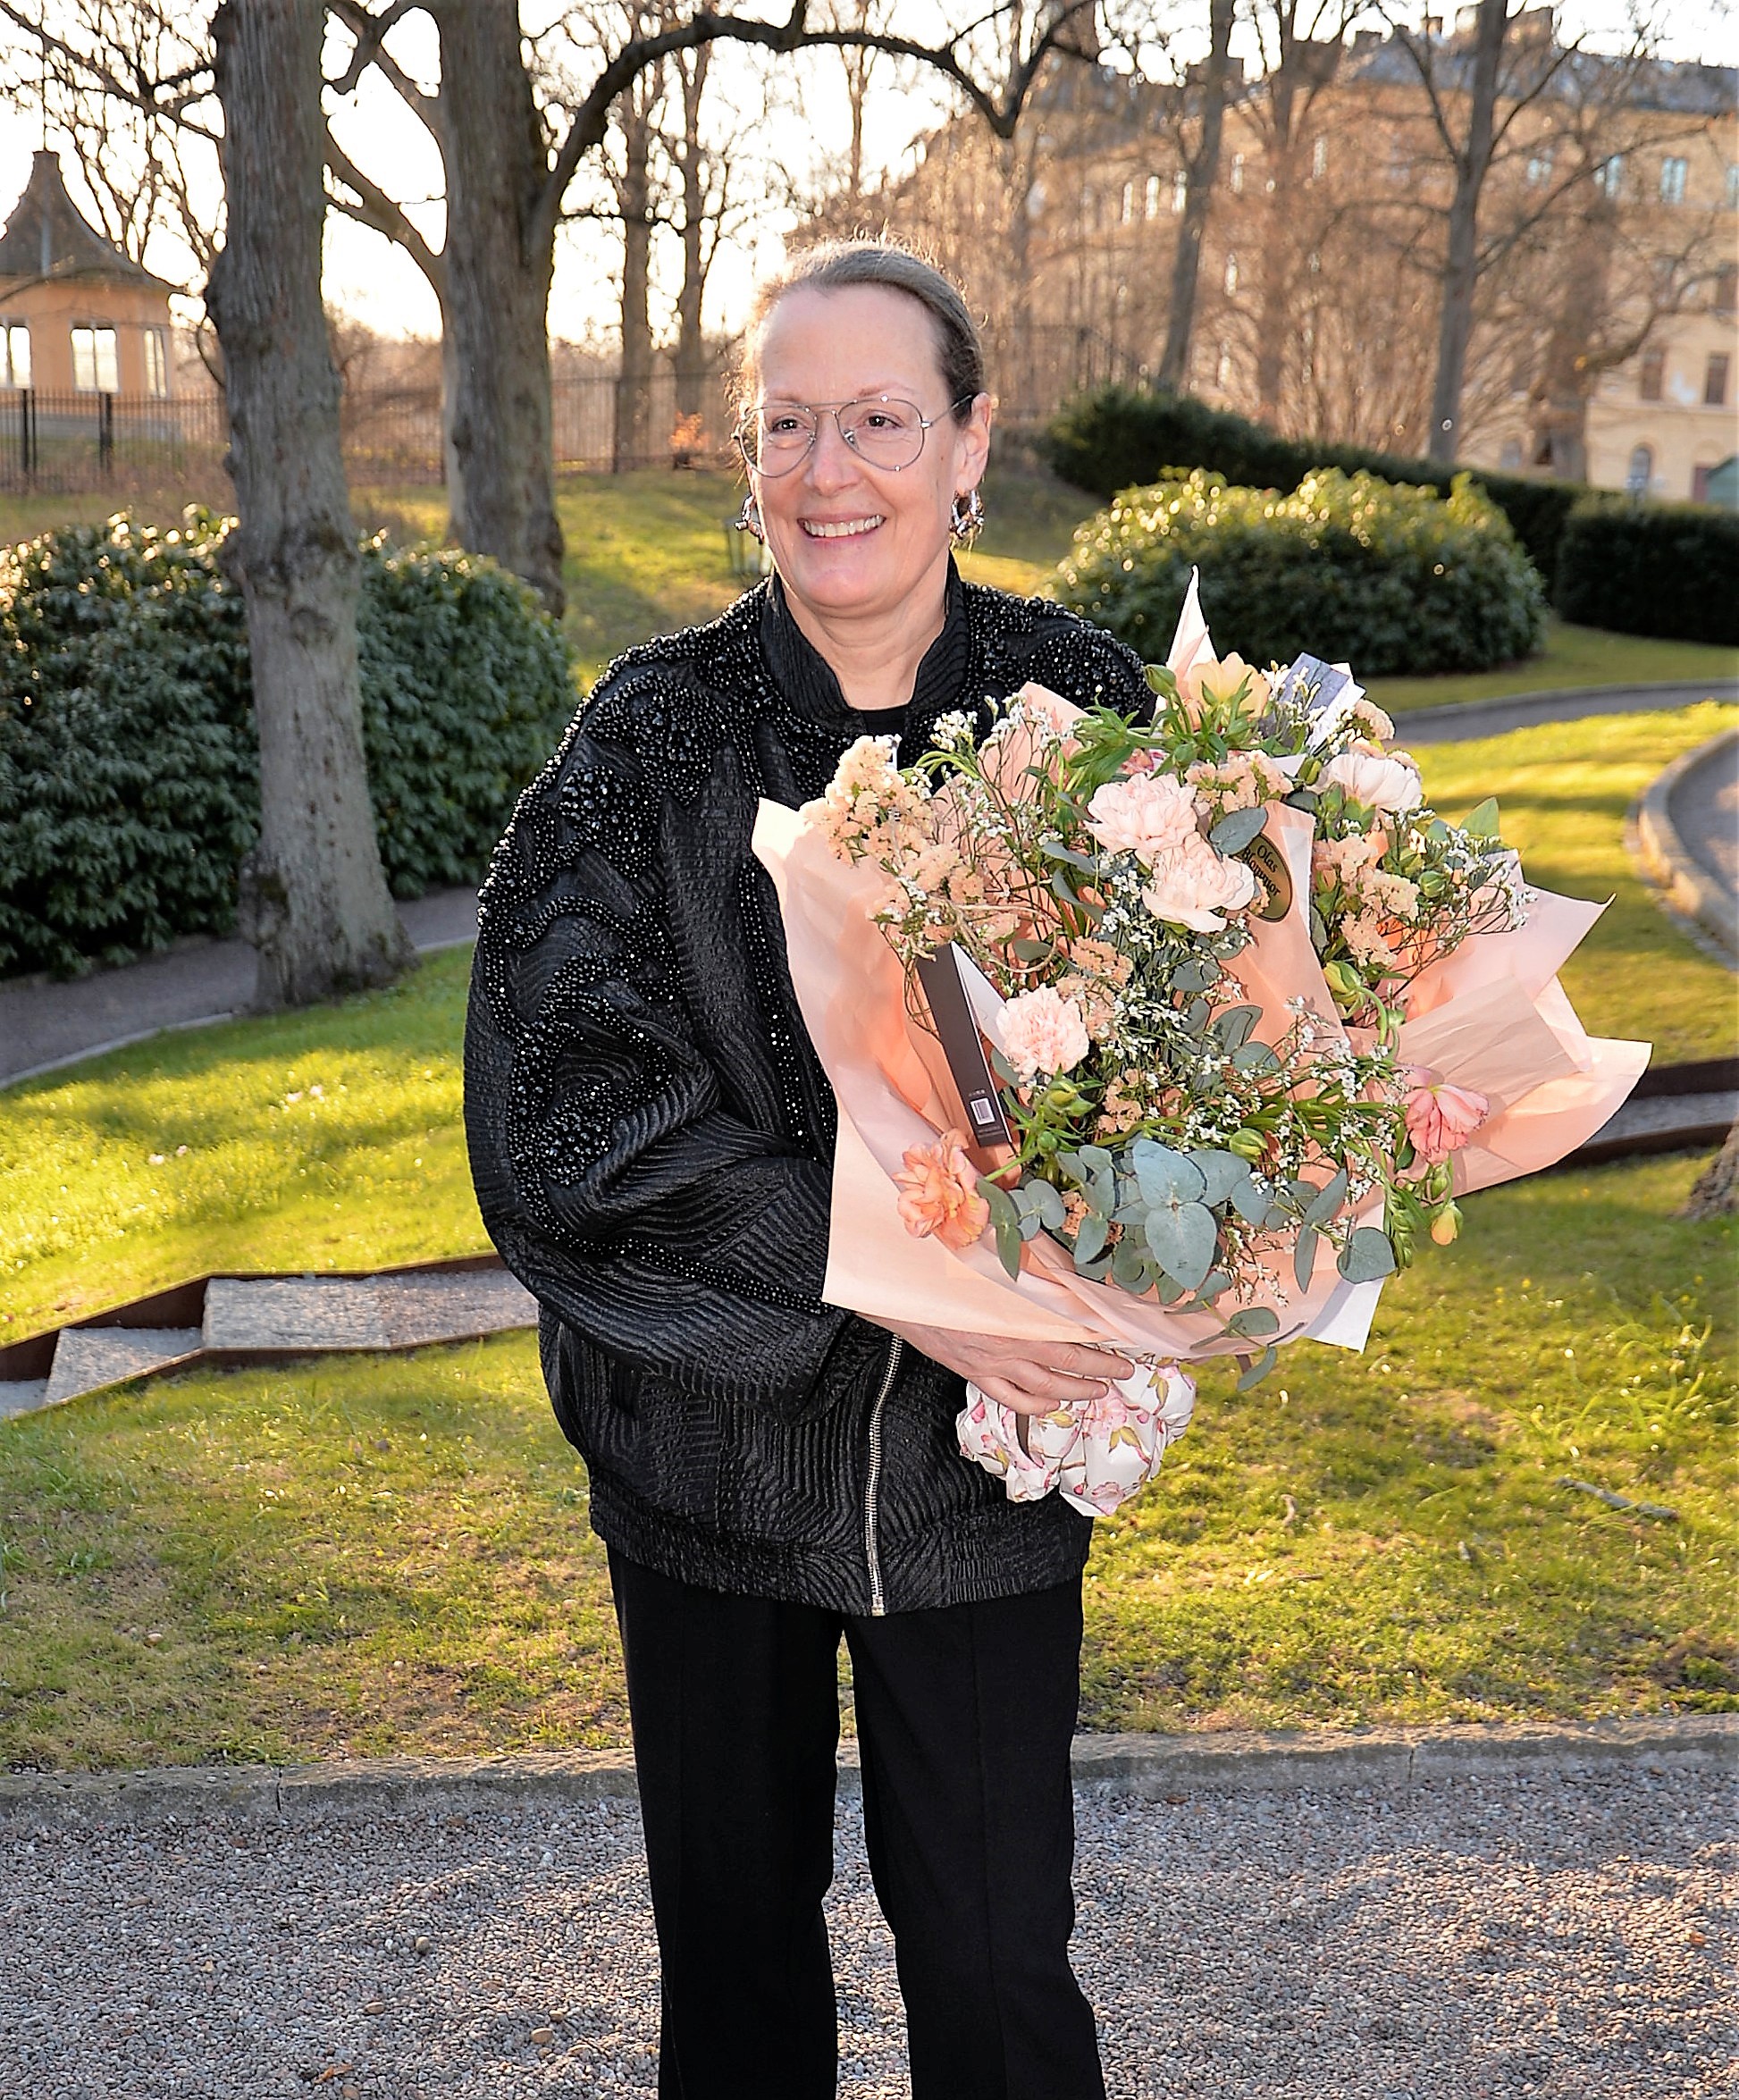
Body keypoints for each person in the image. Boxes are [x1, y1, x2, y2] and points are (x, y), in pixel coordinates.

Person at [464, 239, 1150, 2100]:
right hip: (704, 1462)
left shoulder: (1079, 712)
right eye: (786, 425)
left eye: (877, 421)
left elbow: (1188, 1059)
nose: (827, 471)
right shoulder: (648, 738)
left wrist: (1157, 1260)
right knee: (739, 1983)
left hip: (980, 1476)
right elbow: (567, 1125)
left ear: (968, 442)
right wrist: (908, 1282)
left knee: (998, 1978)